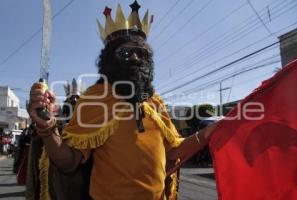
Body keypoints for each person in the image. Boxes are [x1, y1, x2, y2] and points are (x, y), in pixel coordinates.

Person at [28, 1, 217, 199]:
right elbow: (70, 162)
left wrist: (207, 134)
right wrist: (47, 129)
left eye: (142, 53)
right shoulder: (95, 99)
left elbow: (173, 150)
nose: (135, 58)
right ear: (110, 59)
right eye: (125, 53)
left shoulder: (156, 103)